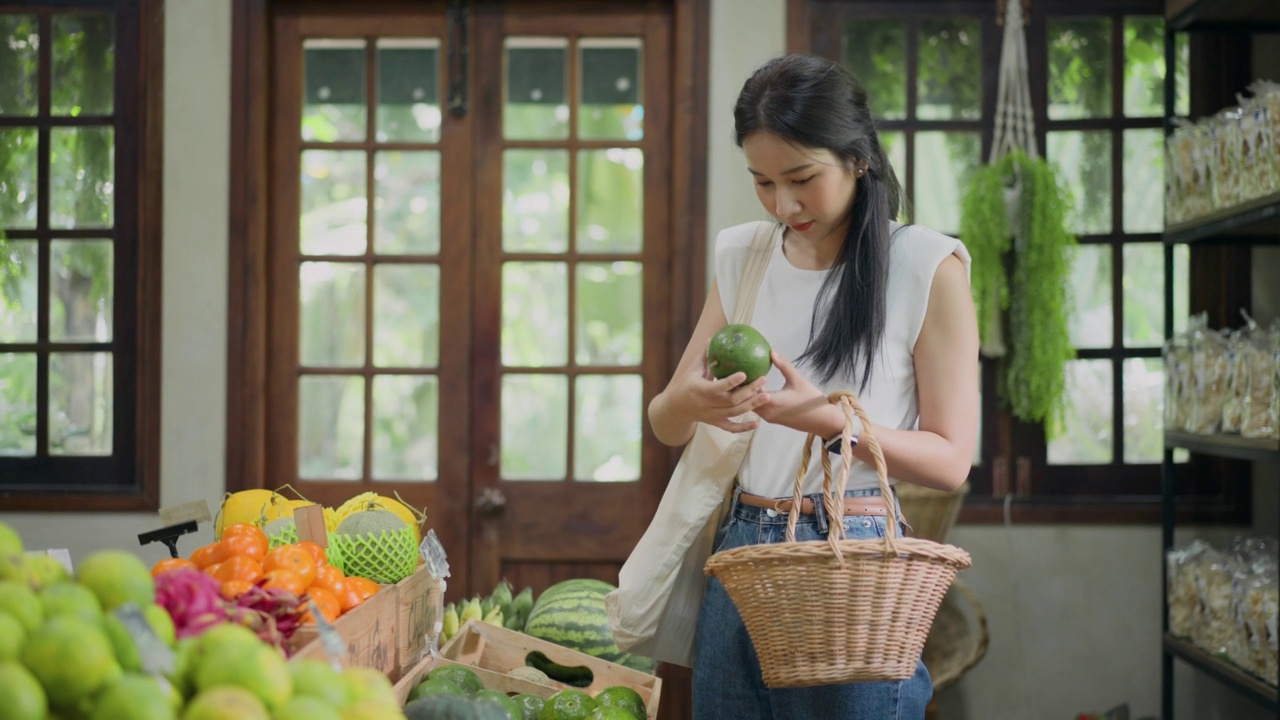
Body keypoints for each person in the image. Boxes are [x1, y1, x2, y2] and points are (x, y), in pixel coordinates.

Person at [646, 53, 980, 719]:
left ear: (857, 159)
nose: (783, 204)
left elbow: (951, 460)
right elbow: (666, 421)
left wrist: (831, 423)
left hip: (854, 556)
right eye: (763, 182)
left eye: (802, 179)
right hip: (742, 547)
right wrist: (696, 400)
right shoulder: (744, 254)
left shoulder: (925, 264)